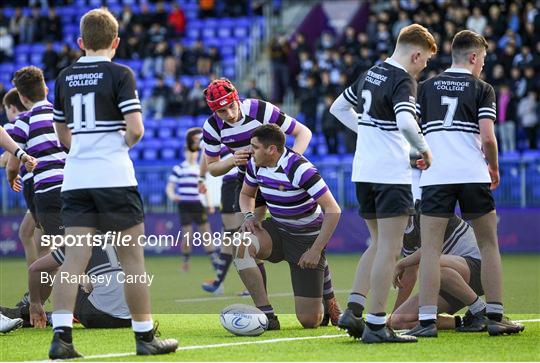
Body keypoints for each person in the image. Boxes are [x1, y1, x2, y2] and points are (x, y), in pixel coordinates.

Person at [50, 9, 177, 359]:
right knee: (132, 260)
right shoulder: (120, 73)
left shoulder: (63, 76)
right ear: (116, 42)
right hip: (113, 177)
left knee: (74, 258)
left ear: (80, 42)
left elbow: (63, 135)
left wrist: (85, 149)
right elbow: (135, 129)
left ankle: (61, 338)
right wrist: (114, 144)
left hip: (75, 178)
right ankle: (144, 337)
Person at [407, 30, 524, 338]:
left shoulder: (426, 87)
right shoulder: (482, 89)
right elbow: (487, 137)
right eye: (483, 58)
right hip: (473, 175)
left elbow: (412, 134)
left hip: (436, 177)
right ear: (473, 57)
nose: (483, 64)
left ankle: (427, 322)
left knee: (430, 250)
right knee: (488, 246)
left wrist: (420, 155)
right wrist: (493, 168)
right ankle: (496, 317)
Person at [202, 78, 341, 327]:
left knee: (310, 320)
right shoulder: (212, 127)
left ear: (237, 98)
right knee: (243, 240)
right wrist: (234, 160)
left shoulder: (260, 109)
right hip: (251, 179)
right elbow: (212, 169)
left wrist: (288, 164)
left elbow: (303, 132)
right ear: (214, 111)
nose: (230, 114)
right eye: (222, 111)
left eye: (231, 106)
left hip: (279, 173)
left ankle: (325, 290)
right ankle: (265, 313)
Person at [330, 24, 435, 343]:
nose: (424, 66)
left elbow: (338, 108)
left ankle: (354, 309)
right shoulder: (403, 79)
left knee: (376, 244)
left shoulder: (371, 73)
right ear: (416, 53)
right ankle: (376, 324)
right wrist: (423, 149)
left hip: (363, 171)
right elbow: (405, 120)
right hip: (390, 176)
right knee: (389, 248)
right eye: (426, 60)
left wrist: (370, 133)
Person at [238, 124, 341, 329]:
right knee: (241, 244)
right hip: (278, 229)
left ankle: (328, 298)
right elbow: (246, 194)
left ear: (272, 150)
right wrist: (248, 216)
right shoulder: (255, 164)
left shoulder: (300, 168)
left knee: (310, 321)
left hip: (306, 238)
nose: (250, 151)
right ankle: (266, 315)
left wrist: (316, 250)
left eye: (255, 147)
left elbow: (333, 210)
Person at [388, 169, 486, 332]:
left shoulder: (424, 211)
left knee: (431, 263)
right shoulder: (406, 232)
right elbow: (409, 275)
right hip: (450, 282)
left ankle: (481, 311)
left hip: (476, 267)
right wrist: (391, 317)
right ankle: (463, 321)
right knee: (399, 321)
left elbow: (429, 253)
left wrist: (401, 263)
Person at [166, 127, 218, 272]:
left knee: (206, 233)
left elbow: (204, 187)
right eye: (189, 151)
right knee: (187, 235)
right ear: (185, 152)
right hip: (184, 204)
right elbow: (170, 187)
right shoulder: (179, 168)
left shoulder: (199, 168)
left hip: (198, 203)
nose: (192, 154)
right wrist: (172, 196)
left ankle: (214, 261)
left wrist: (209, 203)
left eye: (194, 151)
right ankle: (185, 262)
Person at [1, 89, 38, 269]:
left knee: (30, 236)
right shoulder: (38, 119)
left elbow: (8, 159)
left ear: (13, 108)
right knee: (31, 234)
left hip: (38, 187)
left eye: (5, 109)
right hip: (55, 183)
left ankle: (37, 290)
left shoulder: (13, 125)